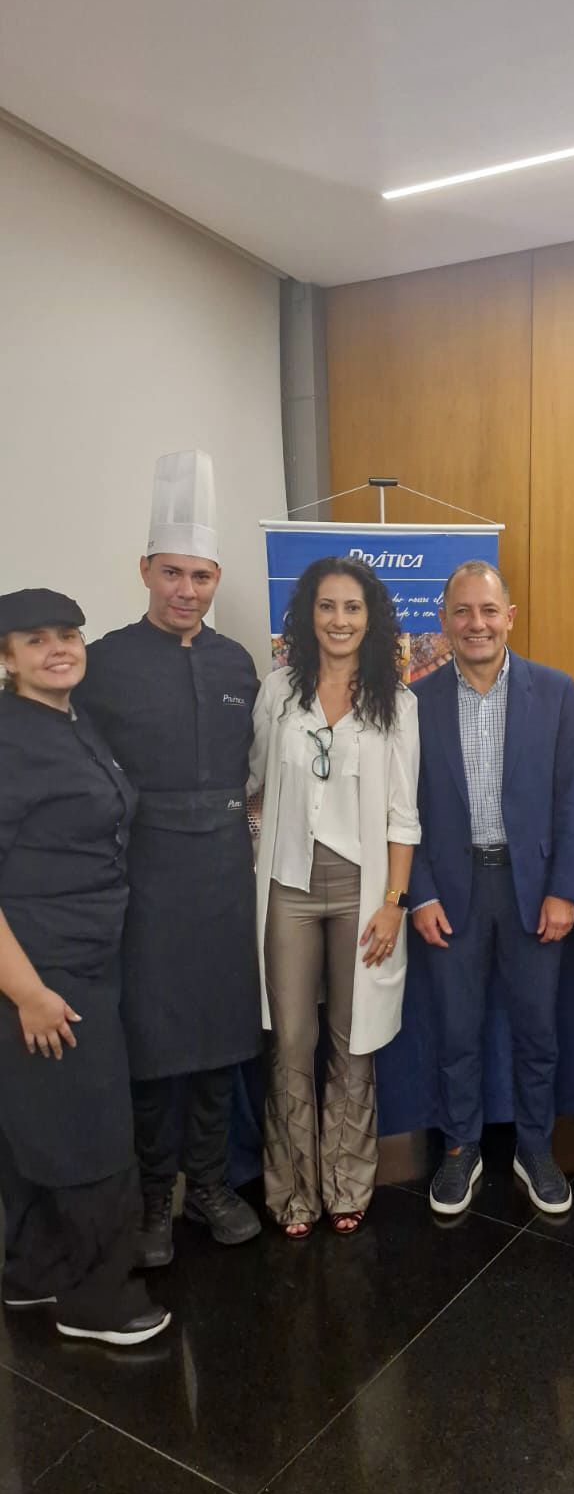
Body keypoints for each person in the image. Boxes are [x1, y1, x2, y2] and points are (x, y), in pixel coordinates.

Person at [75, 452, 262, 1268]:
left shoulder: (237, 663)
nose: (187, 589)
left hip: (224, 870)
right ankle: (156, 1198)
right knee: (152, 1044)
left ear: (216, 580)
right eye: (173, 573)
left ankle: (211, 1185)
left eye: (201, 576)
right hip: (144, 875)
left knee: (222, 1036)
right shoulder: (105, 662)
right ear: (145, 570)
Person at [0, 588, 169, 1344]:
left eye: (67, 635)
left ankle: (36, 1272)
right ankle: (99, 1299)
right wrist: (27, 992)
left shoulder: (73, 722)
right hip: (43, 969)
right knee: (90, 1128)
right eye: (36, 640)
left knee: (43, 1120)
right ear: (7, 658)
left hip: (87, 955)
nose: (58, 649)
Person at [410, 561, 574, 1217]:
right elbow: (403, 808)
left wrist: (565, 889)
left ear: (509, 617)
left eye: (488, 610)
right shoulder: (415, 701)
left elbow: (573, 799)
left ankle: (535, 1148)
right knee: (456, 1031)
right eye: (462, 611)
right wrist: (420, 892)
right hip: (451, 892)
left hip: (532, 890)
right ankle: (461, 1147)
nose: (476, 624)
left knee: (538, 1031)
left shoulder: (556, 690)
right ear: (444, 621)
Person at [249, 557, 420, 1235]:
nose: (339, 620)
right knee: (292, 1039)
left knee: (354, 1041)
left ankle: (348, 1185)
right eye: (327, 606)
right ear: (307, 615)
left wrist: (393, 901)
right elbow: (254, 784)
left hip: (362, 892)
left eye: (352, 607)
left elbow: (403, 816)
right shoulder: (277, 693)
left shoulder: (396, 702)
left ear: (371, 619)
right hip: (287, 887)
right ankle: (293, 1191)